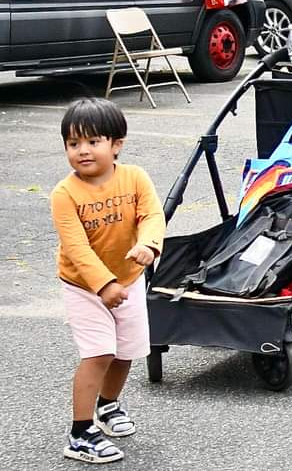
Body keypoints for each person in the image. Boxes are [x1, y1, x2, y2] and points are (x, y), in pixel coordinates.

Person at [51, 98, 164, 464]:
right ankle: (80, 432)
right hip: (84, 287)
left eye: (93, 141)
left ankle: (108, 405)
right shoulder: (64, 194)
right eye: (73, 143)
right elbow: (77, 248)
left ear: (116, 144)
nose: (82, 151)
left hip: (128, 280)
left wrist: (148, 244)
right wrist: (103, 286)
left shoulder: (135, 178)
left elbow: (151, 215)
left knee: (126, 351)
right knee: (99, 352)